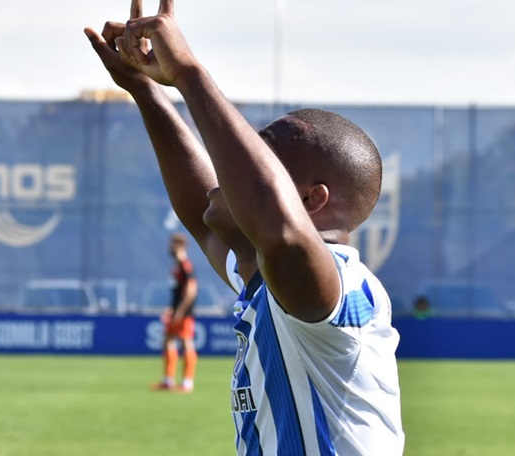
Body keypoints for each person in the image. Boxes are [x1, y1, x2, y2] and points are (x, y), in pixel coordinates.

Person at [84, 1, 405, 453]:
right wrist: (145, 89)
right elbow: (205, 216)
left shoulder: (340, 286)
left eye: (258, 158)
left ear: (311, 200)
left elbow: (280, 228)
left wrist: (190, 73)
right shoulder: (270, 283)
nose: (227, 170)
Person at [152, 233, 199, 392]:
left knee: (186, 342)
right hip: (176, 311)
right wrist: (171, 308)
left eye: (172, 244)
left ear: (179, 246)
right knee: (168, 340)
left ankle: (187, 382)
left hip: (184, 313)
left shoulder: (186, 266)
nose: (169, 247)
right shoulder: (177, 266)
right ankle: (168, 380)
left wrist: (180, 311)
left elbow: (191, 291)